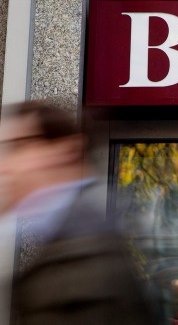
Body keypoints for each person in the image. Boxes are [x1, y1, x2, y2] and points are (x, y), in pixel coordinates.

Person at [0, 101, 150, 324]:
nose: (5, 166)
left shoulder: (82, 258)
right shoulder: (69, 245)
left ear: (67, 150)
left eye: (19, 147)